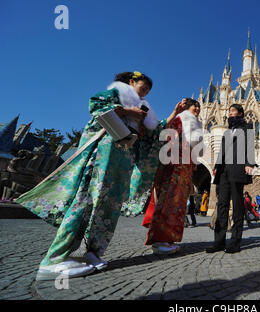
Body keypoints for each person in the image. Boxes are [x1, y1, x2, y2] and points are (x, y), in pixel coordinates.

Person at [16, 71, 182, 280]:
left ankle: (93, 252)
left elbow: (154, 133)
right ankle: (55, 258)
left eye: (149, 90)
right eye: (143, 87)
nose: (146, 92)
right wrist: (127, 110)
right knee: (86, 201)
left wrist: (174, 112)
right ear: (131, 82)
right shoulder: (116, 94)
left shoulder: (144, 111)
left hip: (122, 162)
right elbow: (96, 106)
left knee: (109, 208)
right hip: (103, 155)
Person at [144, 98, 204, 254]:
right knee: (169, 201)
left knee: (178, 205)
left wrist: (193, 161)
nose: (197, 109)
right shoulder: (179, 120)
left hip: (184, 168)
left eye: (198, 106)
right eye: (194, 106)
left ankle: (168, 238)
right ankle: (159, 240)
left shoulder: (194, 125)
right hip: (174, 166)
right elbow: (166, 138)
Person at [206, 104, 256, 254]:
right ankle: (219, 242)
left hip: (237, 169)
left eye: (233, 111)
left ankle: (235, 242)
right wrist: (216, 166)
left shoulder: (247, 128)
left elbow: (250, 147)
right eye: (229, 111)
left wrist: (249, 163)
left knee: (238, 207)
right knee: (221, 206)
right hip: (223, 171)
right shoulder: (228, 132)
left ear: (240, 114)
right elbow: (222, 151)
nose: (230, 113)